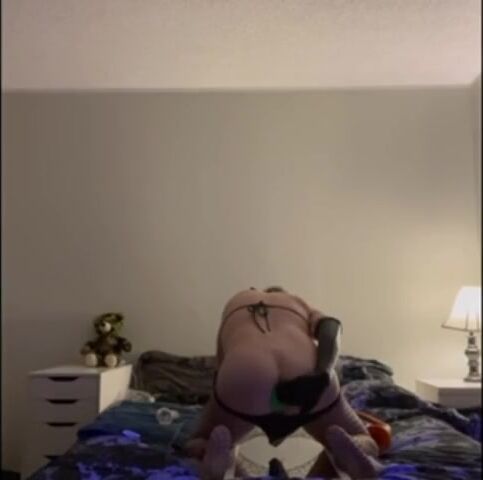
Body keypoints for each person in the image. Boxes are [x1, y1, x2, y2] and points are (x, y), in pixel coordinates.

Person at [185, 287, 380, 480]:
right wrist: (323, 374)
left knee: (204, 440)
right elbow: (330, 329)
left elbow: (219, 371)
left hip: (247, 373)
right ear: (283, 293)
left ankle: (211, 457)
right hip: (305, 374)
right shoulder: (296, 302)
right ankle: (358, 447)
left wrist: (218, 415)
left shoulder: (238, 301)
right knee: (358, 437)